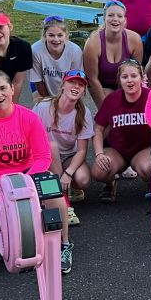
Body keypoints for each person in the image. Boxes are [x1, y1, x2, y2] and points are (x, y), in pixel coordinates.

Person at [0, 70, 67, 281]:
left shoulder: (29, 118)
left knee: (52, 189)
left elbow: (42, 156)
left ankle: (63, 245)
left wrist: (23, 181)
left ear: (11, 89)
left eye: (2, 88)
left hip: (25, 177)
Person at [34, 69, 93, 227]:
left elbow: (82, 150)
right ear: (62, 85)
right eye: (72, 82)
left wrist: (68, 173)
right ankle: (64, 203)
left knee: (83, 179)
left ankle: (66, 187)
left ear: (84, 91)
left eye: (80, 85)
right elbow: (31, 136)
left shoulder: (84, 113)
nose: (76, 87)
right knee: (51, 146)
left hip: (68, 157)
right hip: (45, 155)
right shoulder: (43, 107)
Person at [92, 59, 151, 203]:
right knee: (98, 172)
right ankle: (110, 183)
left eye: (134, 76)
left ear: (142, 77)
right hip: (117, 150)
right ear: (119, 80)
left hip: (144, 149)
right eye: (125, 77)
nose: (130, 80)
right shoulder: (112, 99)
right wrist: (99, 153)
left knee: (149, 169)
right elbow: (98, 128)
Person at [82, 0, 144, 109]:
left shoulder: (134, 39)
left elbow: (137, 73)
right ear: (104, 19)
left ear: (124, 20)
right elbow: (92, 79)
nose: (115, 19)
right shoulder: (93, 43)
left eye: (119, 16)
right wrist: (106, 111)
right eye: (111, 15)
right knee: (110, 111)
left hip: (126, 83)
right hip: (102, 86)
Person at [30, 16, 83, 101]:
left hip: (68, 89)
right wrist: (49, 102)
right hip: (42, 88)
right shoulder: (35, 50)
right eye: (51, 35)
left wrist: (64, 101)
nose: (56, 39)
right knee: (43, 110)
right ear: (44, 36)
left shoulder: (75, 51)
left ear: (65, 36)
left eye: (60, 35)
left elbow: (75, 81)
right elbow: (37, 80)